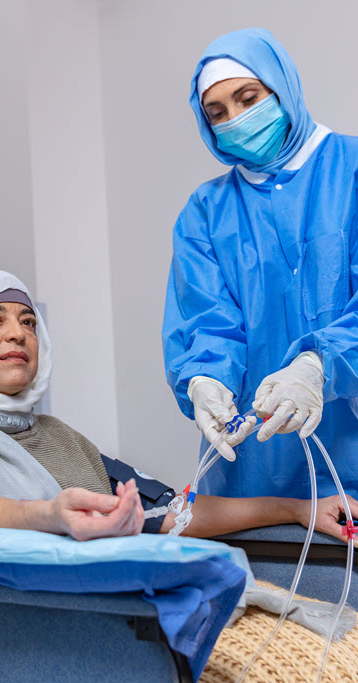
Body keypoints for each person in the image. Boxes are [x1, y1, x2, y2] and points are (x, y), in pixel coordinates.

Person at [0, 269, 356, 542]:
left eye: (29, 322)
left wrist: (298, 508)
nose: (18, 332)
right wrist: (49, 516)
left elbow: (170, 511)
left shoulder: (60, 436)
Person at [162, 28, 358, 501]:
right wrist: (206, 379)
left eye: (248, 98)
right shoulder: (206, 212)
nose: (234, 119)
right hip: (257, 467)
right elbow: (207, 319)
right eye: (217, 113)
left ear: (281, 87)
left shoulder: (351, 171)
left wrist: (319, 364)